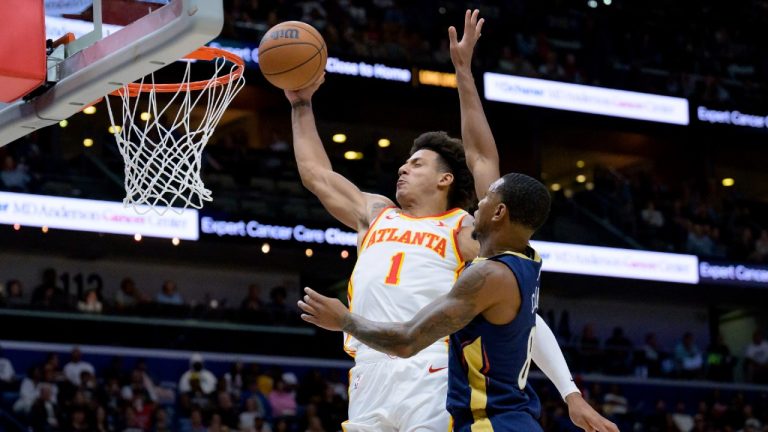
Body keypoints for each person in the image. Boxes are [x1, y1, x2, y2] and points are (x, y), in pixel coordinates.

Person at [285, 9, 604, 432]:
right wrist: (301, 103)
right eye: (403, 163)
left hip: (432, 367)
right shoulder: (375, 213)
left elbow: (483, 158)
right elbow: (316, 175)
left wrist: (463, 74)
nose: (403, 168)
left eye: (416, 163)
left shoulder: (466, 228)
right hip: (368, 371)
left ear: (445, 179)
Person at [299, 173, 618, 432]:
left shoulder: (486, 276)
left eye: (486, 199)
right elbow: (532, 324)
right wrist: (571, 393)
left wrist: (344, 320)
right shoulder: (524, 265)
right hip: (507, 416)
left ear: (499, 212)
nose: (476, 204)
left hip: (488, 420)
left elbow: (409, 340)